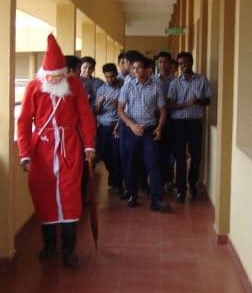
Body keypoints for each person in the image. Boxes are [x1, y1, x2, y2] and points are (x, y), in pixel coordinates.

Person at [17, 34, 96, 268]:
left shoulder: (74, 85)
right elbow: (23, 121)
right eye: (51, 77)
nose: (55, 80)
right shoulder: (33, 86)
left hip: (69, 147)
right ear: (44, 74)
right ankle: (49, 244)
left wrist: (89, 145)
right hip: (42, 148)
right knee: (44, 195)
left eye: (59, 76)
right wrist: (25, 153)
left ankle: (69, 250)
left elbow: (85, 116)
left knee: (70, 196)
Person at [117, 51, 168, 211]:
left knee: (153, 164)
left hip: (149, 131)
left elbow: (163, 111)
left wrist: (159, 128)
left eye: (139, 68)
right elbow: (120, 110)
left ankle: (156, 199)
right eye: (133, 68)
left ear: (147, 69)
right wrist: (131, 125)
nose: (136, 71)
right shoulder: (128, 86)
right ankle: (132, 194)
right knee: (131, 163)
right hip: (131, 130)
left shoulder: (156, 86)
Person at [166, 51, 212, 202]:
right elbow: (169, 105)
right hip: (178, 124)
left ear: (191, 62)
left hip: (195, 123)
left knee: (196, 155)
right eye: (180, 64)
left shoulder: (202, 80)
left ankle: (192, 183)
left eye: (185, 62)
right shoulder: (174, 83)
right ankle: (181, 189)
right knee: (180, 157)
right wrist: (183, 105)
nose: (183, 66)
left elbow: (208, 101)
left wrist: (197, 101)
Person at [93, 63, 123, 192]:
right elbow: (96, 111)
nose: (110, 79)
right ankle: (113, 175)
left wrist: (119, 104)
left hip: (117, 125)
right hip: (103, 127)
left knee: (116, 155)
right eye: (107, 77)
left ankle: (117, 182)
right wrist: (99, 104)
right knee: (103, 153)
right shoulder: (101, 89)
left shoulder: (122, 87)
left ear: (116, 74)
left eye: (112, 76)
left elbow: (127, 108)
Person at [153, 51, 176, 190]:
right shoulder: (153, 80)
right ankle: (160, 179)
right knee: (158, 150)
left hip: (172, 119)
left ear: (170, 64)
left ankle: (169, 178)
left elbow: (176, 99)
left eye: (165, 61)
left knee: (170, 149)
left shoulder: (175, 80)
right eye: (160, 61)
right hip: (157, 119)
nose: (162, 64)